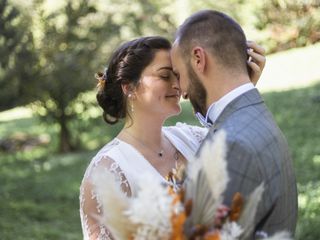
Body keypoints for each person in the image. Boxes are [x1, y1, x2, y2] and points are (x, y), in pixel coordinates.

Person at [79, 36, 266, 239]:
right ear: (129, 87)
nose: (177, 84)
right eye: (165, 76)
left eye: (177, 75)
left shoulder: (193, 139)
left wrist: (241, 86)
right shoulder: (107, 172)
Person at [170, 10, 298, 238]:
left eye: (179, 75)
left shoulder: (229, 147)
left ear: (198, 59)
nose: (183, 92)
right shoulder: (255, 112)